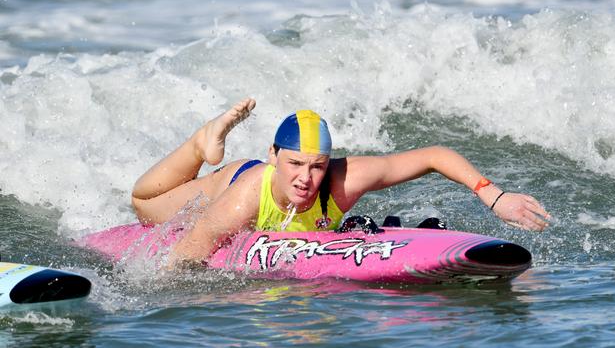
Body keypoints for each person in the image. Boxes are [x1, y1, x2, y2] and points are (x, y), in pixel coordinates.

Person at [131, 98, 551, 266]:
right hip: (228, 183)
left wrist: (495, 198)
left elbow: (433, 156)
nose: (306, 178)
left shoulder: (341, 182)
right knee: (144, 202)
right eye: (295, 164)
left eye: (317, 166)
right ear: (275, 155)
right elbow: (182, 260)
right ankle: (203, 141)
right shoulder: (243, 200)